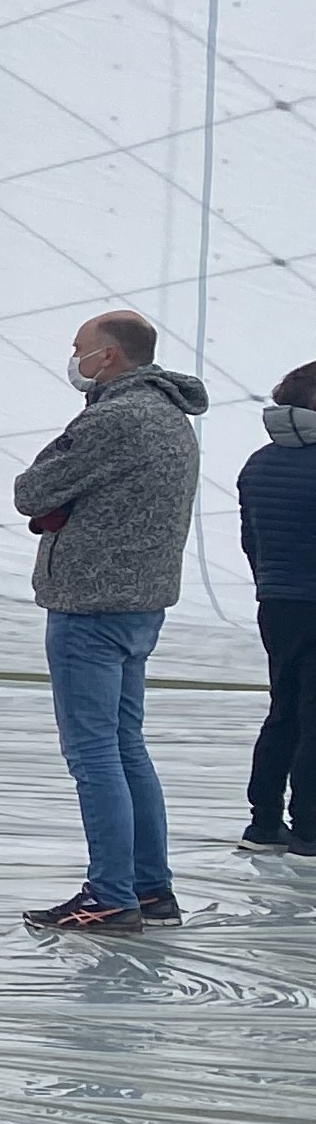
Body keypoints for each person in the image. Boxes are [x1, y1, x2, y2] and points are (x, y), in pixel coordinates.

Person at [12, 310, 209, 929]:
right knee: (125, 746)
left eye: (80, 348)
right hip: (141, 603)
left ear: (110, 356)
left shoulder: (114, 418)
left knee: (93, 753)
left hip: (90, 605)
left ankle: (111, 894)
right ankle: (150, 888)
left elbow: (31, 490)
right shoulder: (172, 416)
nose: (74, 359)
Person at [236, 361, 316, 852]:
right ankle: (309, 827)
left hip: (277, 601)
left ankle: (263, 822)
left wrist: (270, 580)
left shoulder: (258, 463)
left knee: (283, 708)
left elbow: (251, 539)